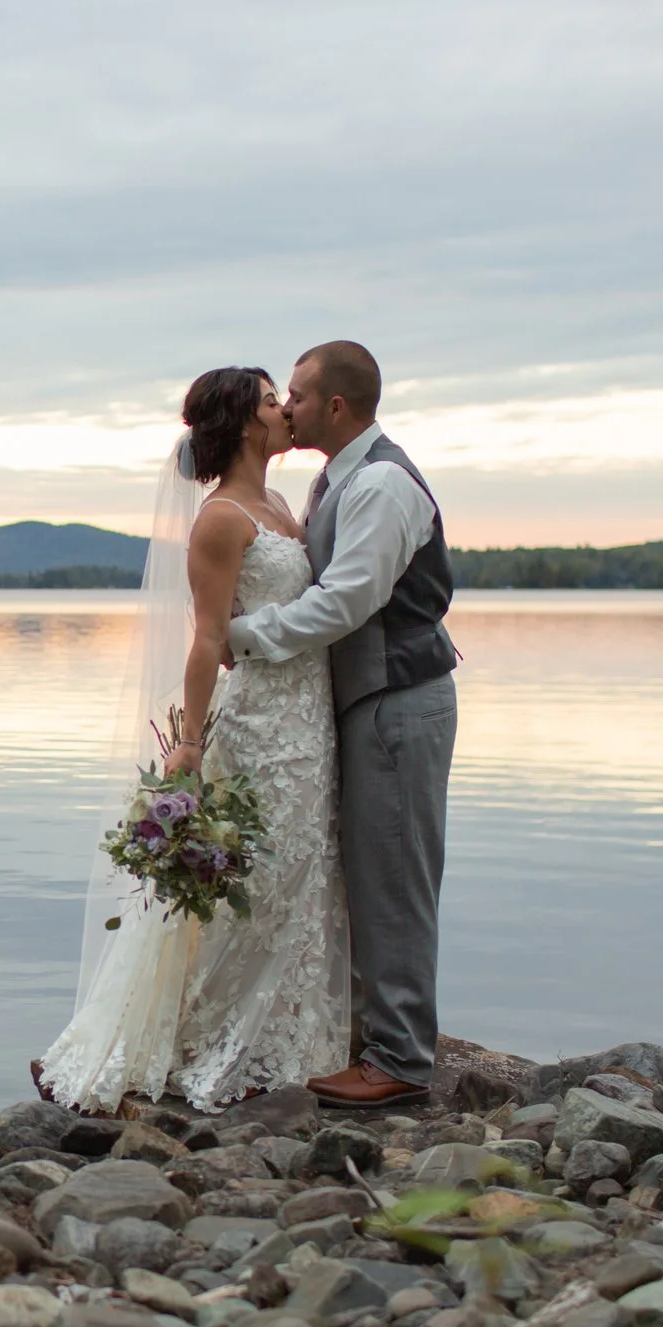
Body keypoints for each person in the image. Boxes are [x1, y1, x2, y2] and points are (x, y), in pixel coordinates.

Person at [34, 366, 350, 1113]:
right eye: (273, 400)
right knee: (257, 883)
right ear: (245, 422)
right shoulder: (219, 519)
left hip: (307, 717)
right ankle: (211, 1043)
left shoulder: (278, 502)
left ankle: (294, 1037)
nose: (284, 411)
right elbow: (206, 638)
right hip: (260, 723)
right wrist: (191, 746)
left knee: (303, 876)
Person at [228, 340, 457, 1110]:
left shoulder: (384, 484)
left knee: (394, 874)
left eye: (293, 393)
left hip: (399, 698)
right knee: (363, 870)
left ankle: (400, 1058)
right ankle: (371, 1039)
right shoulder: (336, 479)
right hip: (368, 700)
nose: (284, 406)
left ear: (333, 406)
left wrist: (248, 637)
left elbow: (348, 599)